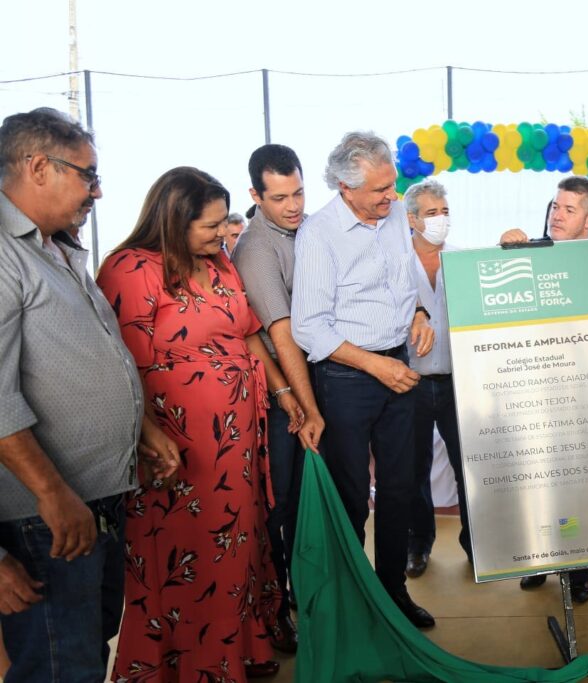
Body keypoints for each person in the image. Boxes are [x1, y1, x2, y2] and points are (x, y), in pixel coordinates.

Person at [98, 166, 302, 680]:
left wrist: (282, 391)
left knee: (236, 546)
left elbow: (249, 332)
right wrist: (149, 432)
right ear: (173, 219)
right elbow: (123, 361)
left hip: (238, 440)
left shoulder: (219, 263)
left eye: (220, 225)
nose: (220, 234)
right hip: (176, 445)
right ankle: (188, 664)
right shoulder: (128, 268)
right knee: (187, 552)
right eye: (209, 226)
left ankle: (239, 649)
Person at [0, 108, 178, 681]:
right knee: (58, 664)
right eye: (87, 175)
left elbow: (102, 352)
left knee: (86, 650)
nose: (97, 191)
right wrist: (52, 494)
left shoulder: (56, 247)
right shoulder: (5, 254)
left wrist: (141, 430)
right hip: (44, 511)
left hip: (95, 497)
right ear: (37, 168)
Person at [291, 131, 436, 629]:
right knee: (352, 495)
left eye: (392, 185)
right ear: (344, 187)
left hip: (398, 364)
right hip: (347, 378)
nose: (391, 198)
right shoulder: (318, 234)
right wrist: (376, 366)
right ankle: (351, 600)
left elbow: (405, 277)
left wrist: (418, 311)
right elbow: (310, 326)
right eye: (379, 190)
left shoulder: (394, 214)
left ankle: (392, 592)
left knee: (400, 489)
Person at [500, 175, 588, 604]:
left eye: (569, 209)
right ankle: (539, 558)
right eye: (555, 207)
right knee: (535, 486)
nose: (557, 215)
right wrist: (498, 254)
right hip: (530, 400)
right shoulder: (521, 257)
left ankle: (578, 571)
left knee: (578, 491)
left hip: (584, 404)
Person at [231, 143, 326, 653]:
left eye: (299, 192)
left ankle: (315, 597)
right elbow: (281, 332)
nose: (293, 205)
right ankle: (277, 607)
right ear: (255, 195)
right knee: (281, 503)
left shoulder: (313, 229)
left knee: (315, 496)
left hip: (318, 378)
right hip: (281, 390)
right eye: (280, 196)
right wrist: (302, 404)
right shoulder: (253, 248)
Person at [402, 178, 473, 578]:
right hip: (409, 384)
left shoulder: (463, 261)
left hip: (458, 384)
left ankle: (475, 545)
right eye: (432, 213)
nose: (440, 220)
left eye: (445, 212)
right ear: (412, 219)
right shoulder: (394, 264)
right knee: (413, 471)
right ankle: (418, 545)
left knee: (470, 467)